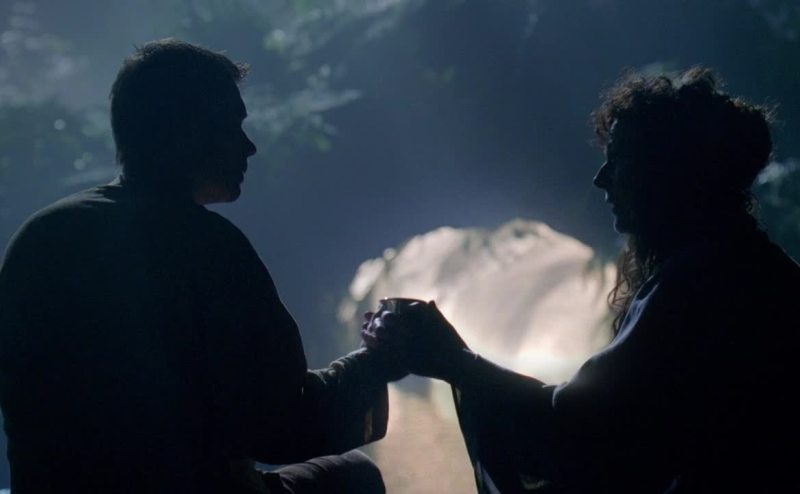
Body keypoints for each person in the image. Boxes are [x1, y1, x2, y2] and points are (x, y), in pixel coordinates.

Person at [364, 68, 800, 493]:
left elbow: (577, 431)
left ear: (667, 172)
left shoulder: (694, 288)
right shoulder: (751, 265)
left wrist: (454, 360)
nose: (600, 179)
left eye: (620, 160)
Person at [0, 39, 397, 493]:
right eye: (232, 126)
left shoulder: (40, 235)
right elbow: (282, 425)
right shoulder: (205, 246)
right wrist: (378, 362)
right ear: (186, 133)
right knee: (355, 477)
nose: (249, 147)